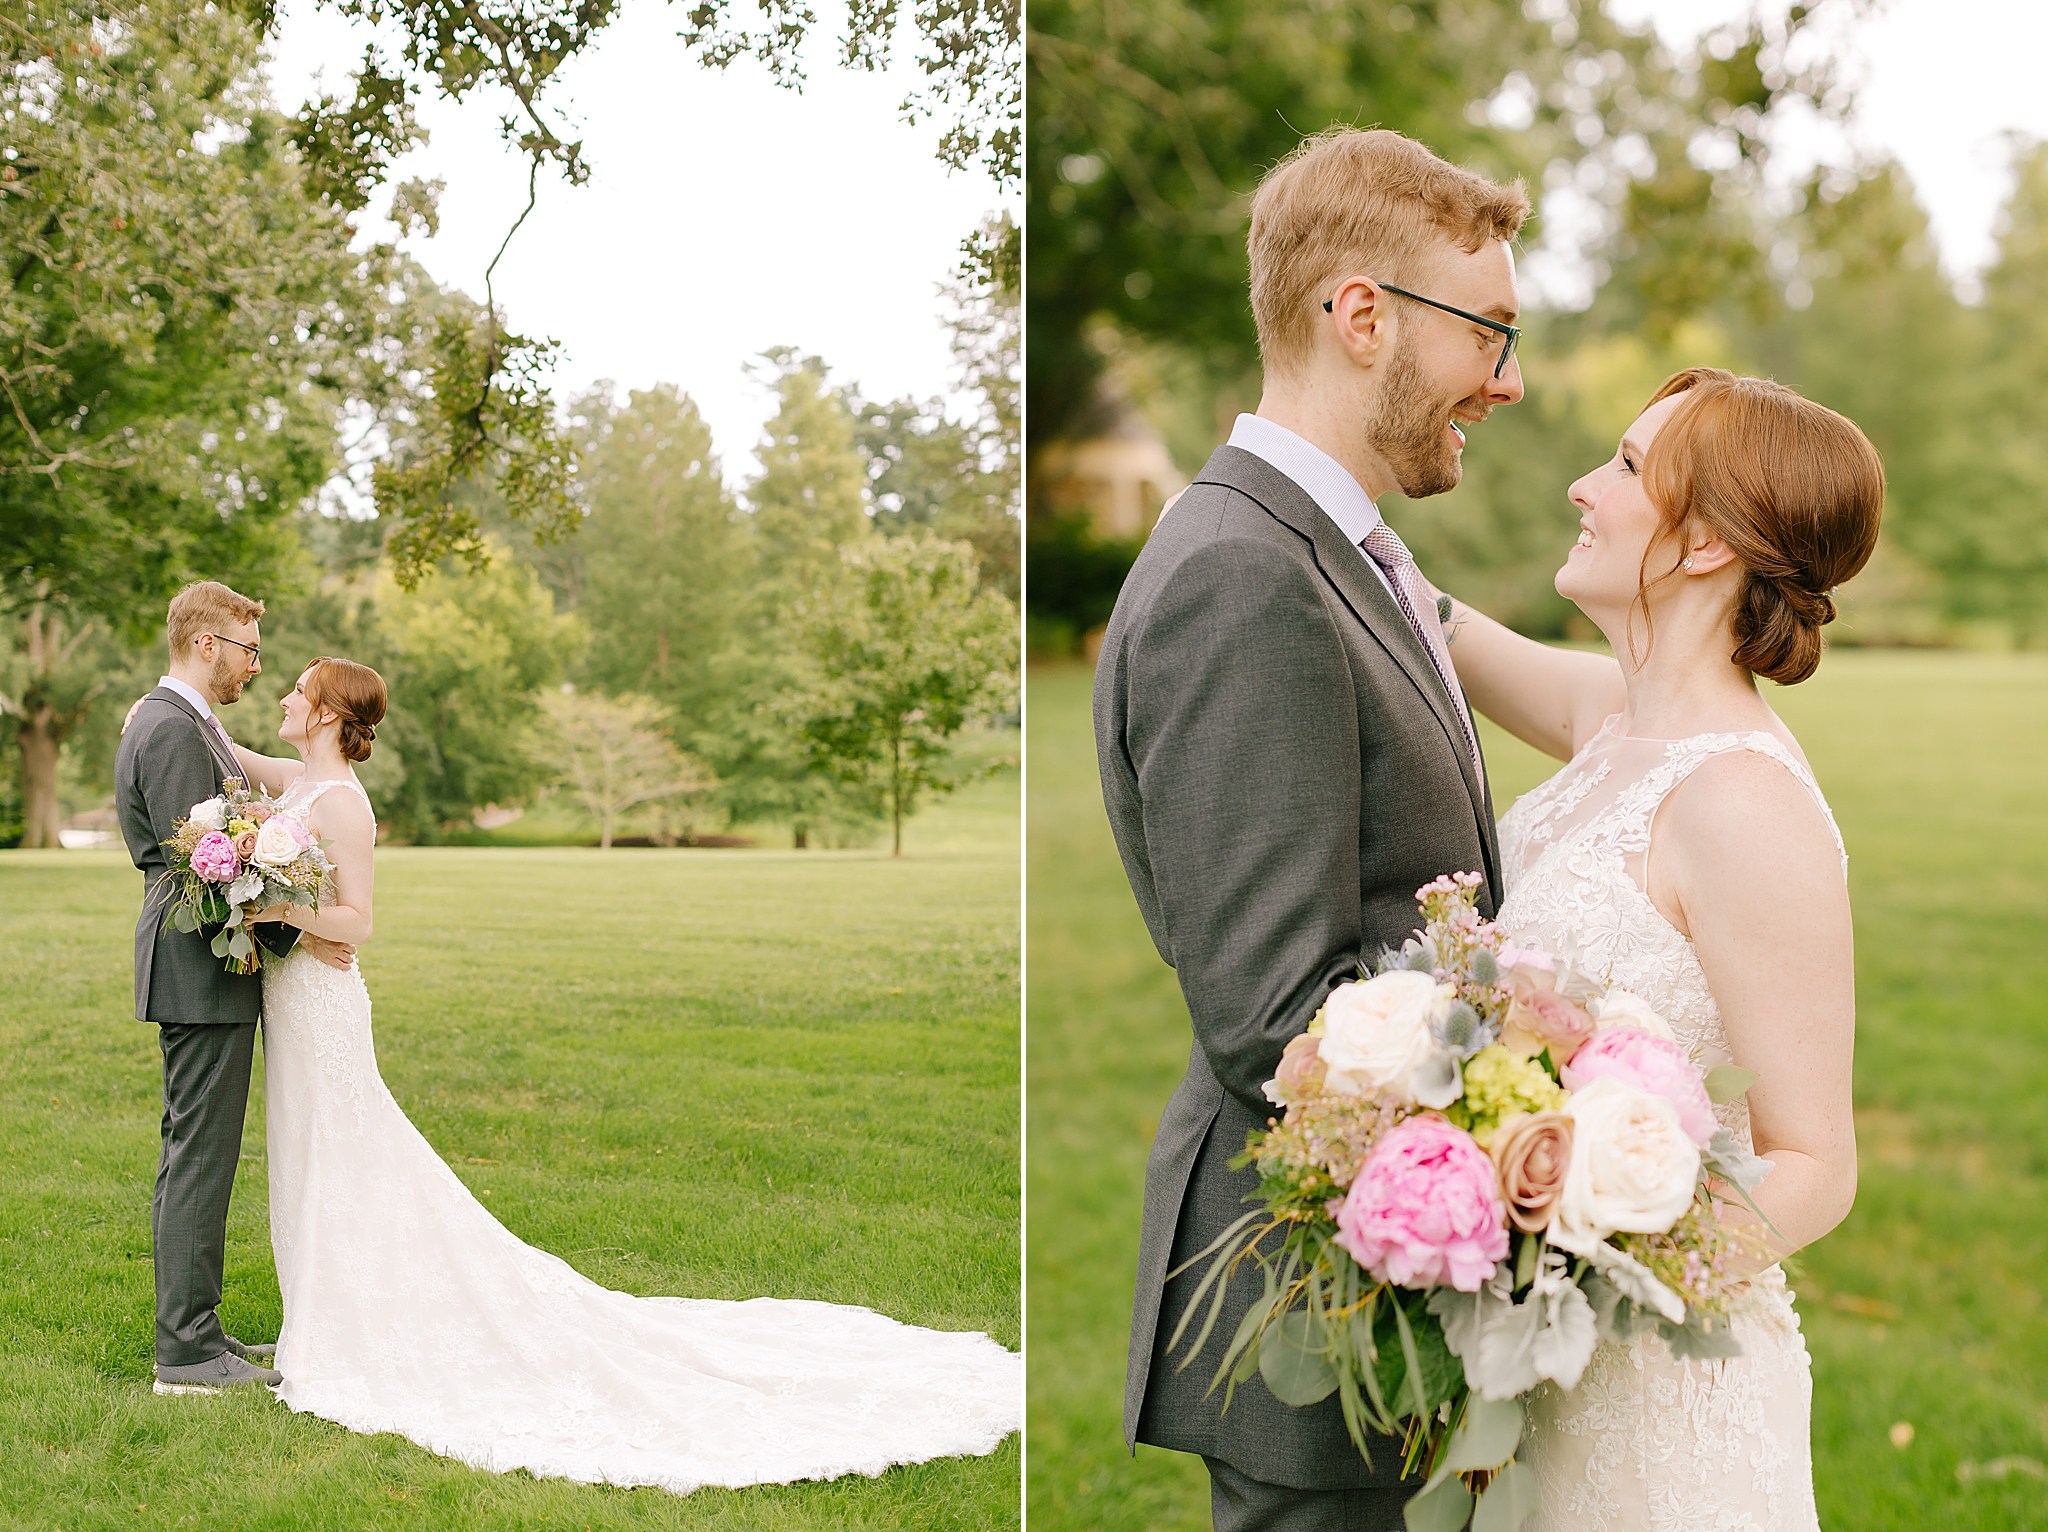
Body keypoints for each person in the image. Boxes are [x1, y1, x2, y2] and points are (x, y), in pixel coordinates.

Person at [199, 654, 1019, 1493]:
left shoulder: (339, 803)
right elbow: (245, 761)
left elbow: (359, 922)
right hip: (295, 1007)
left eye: (301, 690)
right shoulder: (302, 781)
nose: (288, 697)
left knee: (346, 1153)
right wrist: (193, 715)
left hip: (327, 1009)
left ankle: (359, 1326)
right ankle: (332, 1314)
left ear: (333, 714)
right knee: (313, 1153)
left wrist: (278, 907)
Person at [1093, 127, 1530, 1530]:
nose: (1509, 382)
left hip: (1370, 1282)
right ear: (1362, 317)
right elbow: (1279, 1015)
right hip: (1311, 1294)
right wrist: (1538, 1117)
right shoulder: (1244, 576)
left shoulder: (1328, 550)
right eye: (1492, 334)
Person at [1434, 367, 1877, 1528]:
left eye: (1625, 468)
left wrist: (1572, 1257)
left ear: (1702, 546)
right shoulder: (1612, 716)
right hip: (1528, 1372)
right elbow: (1431, 618)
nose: (1583, 486)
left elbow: (1814, 1162)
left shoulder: (1742, 803)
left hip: (1659, 1405)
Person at [113, 582, 358, 1396]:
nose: (257, 666)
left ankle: (201, 1329)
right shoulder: (172, 726)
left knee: (198, 1153)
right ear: (208, 643)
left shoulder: (181, 721)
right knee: (200, 1158)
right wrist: (302, 932)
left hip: (202, 966)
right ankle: (185, 1355)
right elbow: (211, 866)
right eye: (250, 650)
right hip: (198, 968)